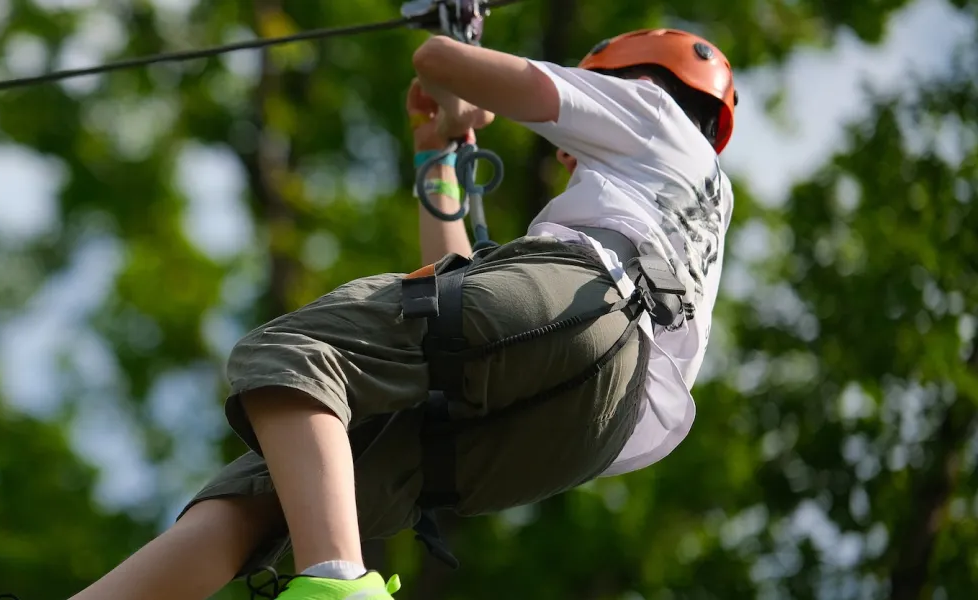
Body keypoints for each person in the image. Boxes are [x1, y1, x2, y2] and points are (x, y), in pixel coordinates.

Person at [70, 27, 738, 600]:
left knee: (298, 354)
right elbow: (458, 290)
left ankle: (335, 582)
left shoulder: (649, 110)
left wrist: (460, 84)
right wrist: (436, 151)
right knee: (274, 492)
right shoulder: (677, 206)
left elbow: (439, 60)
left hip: (590, 305)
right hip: (593, 424)